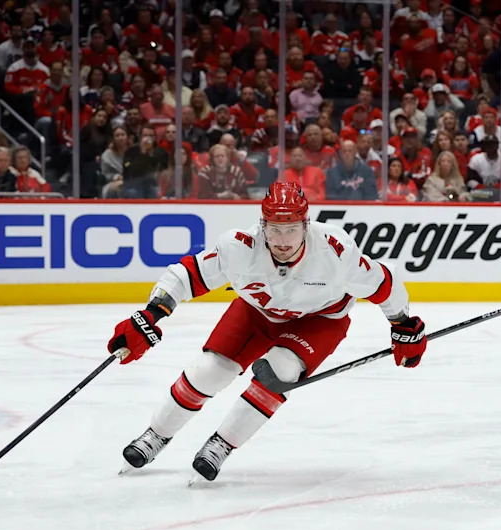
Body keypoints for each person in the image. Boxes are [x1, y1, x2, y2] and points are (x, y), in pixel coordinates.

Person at [110, 183, 427, 481]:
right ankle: (156, 435)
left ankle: (221, 445)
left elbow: (383, 281)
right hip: (256, 313)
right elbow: (186, 274)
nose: (283, 240)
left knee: (281, 371)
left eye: (291, 229)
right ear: (263, 226)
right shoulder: (239, 247)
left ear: (306, 226)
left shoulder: (335, 251)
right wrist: (151, 314)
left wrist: (402, 323)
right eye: (275, 230)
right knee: (209, 371)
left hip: (320, 321)